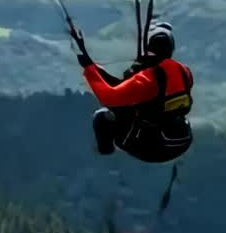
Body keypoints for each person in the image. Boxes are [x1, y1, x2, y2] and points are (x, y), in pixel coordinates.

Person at [74, 19, 194, 163]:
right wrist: (95, 68)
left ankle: (106, 156)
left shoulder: (148, 78)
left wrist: (89, 69)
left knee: (102, 119)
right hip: (181, 140)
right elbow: (130, 90)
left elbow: (109, 97)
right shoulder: (183, 71)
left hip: (155, 149)